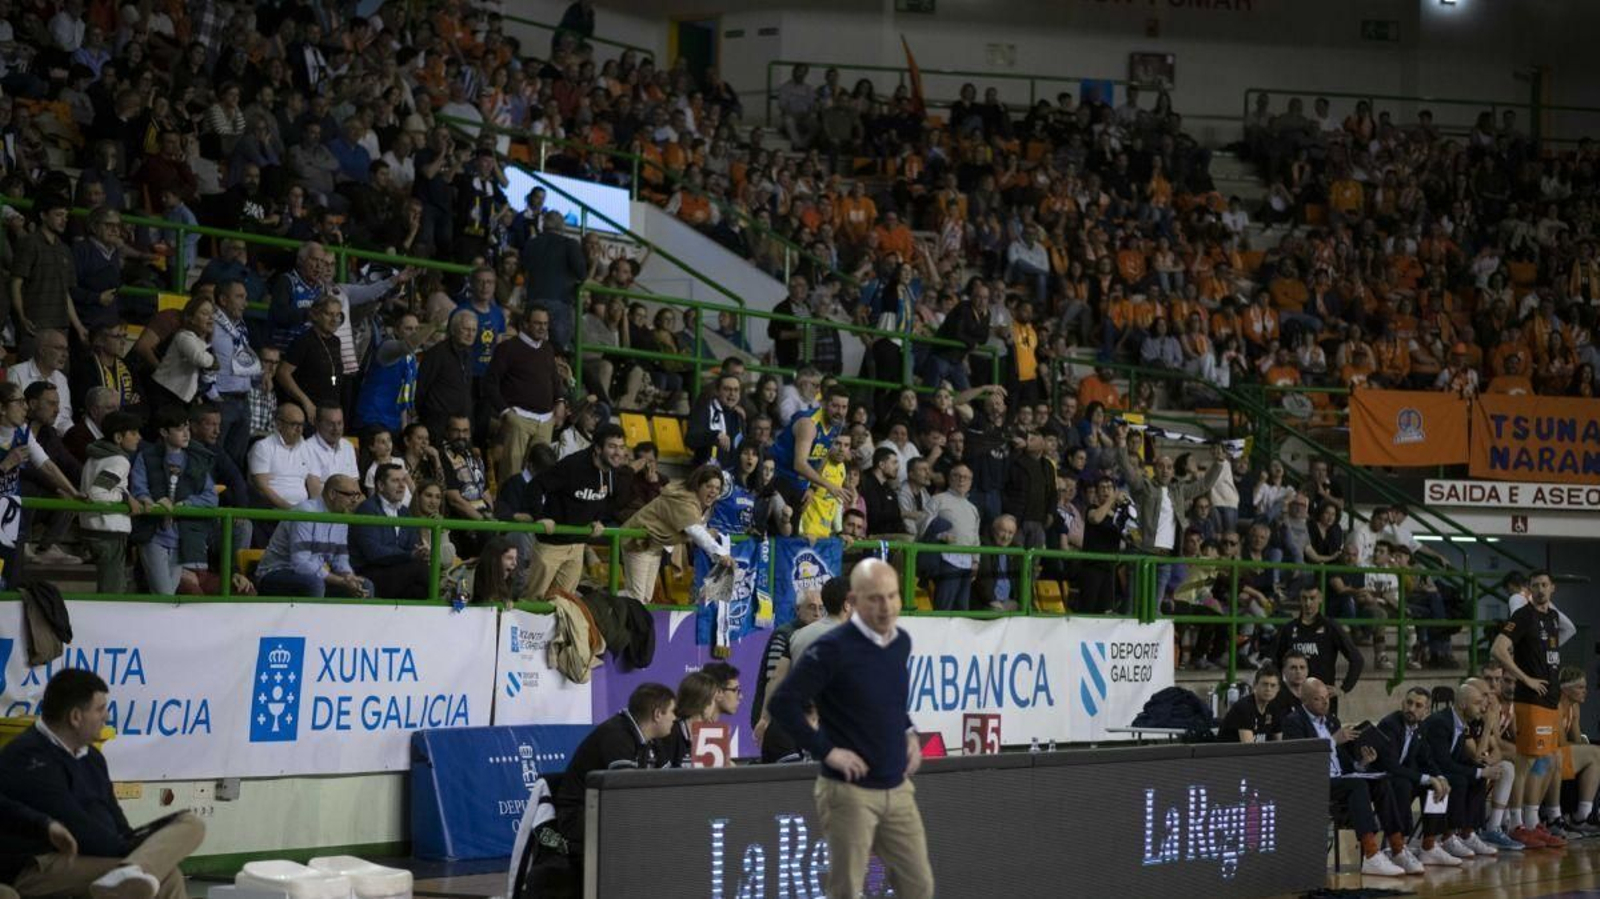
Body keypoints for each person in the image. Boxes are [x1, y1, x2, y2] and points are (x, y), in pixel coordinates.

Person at [768, 559, 935, 899]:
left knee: (919, 887)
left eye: (892, 596)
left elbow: (891, 698)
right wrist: (826, 751)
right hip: (849, 793)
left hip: (897, 788)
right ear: (854, 601)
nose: (886, 606)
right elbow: (782, 703)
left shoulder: (900, 642)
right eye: (875, 598)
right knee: (846, 892)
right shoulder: (831, 648)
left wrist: (908, 732)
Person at [0, 669, 206, 899]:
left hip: (98, 854)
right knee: (166, 876)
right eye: (100, 709)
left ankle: (131, 871)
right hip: (42, 864)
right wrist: (131, 849)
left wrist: (133, 844)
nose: (107, 717)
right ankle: (130, 871)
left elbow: (116, 818)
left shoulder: (93, 758)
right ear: (76, 717)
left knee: (191, 824)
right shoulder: (27, 756)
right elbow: (76, 828)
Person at [1280, 677, 1407, 876]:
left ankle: (1398, 848)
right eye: (1317, 699)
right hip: (1315, 782)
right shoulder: (1293, 722)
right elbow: (1302, 760)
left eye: (1326, 698)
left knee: (1381, 781)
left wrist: (1363, 762)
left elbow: (1345, 762)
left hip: (1340, 779)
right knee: (1357, 786)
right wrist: (1332, 740)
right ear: (1304, 701)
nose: (1325, 702)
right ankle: (1371, 854)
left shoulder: (1331, 720)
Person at [546, 683, 676, 860]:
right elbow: (627, 795)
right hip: (579, 814)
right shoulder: (617, 735)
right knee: (644, 829)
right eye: (672, 712)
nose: (675, 718)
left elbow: (669, 785)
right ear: (657, 714)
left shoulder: (651, 739)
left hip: (606, 810)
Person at [1494, 569, 1569, 848]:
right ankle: (1516, 824)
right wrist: (1524, 678)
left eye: (1544, 585)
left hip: (1550, 698)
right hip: (1531, 699)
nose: (1539, 590)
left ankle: (1532, 819)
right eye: (1535, 585)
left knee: (1547, 761)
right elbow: (1498, 649)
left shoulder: (1552, 617)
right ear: (1529, 589)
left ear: (1553, 588)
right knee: (1525, 762)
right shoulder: (1523, 615)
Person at [524, 424, 626, 599]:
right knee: (533, 600)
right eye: (612, 446)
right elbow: (536, 485)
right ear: (597, 448)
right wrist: (539, 517)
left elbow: (610, 498)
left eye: (621, 447)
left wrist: (598, 519)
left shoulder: (613, 471)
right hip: (551, 545)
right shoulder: (572, 465)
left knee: (563, 603)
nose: (618, 452)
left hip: (578, 546)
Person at [128, 406, 216, 596]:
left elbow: (210, 498)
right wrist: (152, 502)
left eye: (187, 427)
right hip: (153, 534)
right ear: (163, 432)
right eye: (179, 429)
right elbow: (139, 488)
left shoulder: (196, 460)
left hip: (183, 538)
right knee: (164, 594)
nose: (186, 433)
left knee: (167, 594)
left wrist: (186, 504)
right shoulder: (146, 457)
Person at [1372, 687, 1459, 869]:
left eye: (1418, 705)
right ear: (1403, 703)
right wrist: (1427, 778)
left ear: (1426, 711)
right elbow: (1391, 766)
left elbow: (1426, 759)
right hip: (1381, 778)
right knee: (1404, 784)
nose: (1411, 708)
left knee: (1436, 786)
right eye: (1409, 703)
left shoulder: (1420, 728)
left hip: (1401, 777)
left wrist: (1440, 778)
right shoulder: (1390, 724)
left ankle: (1429, 846)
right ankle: (1397, 847)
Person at [620, 465, 734, 602]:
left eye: (717, 488)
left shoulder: (700, 503)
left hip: (654, 547)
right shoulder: (684, 499)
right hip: (638, 543)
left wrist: (715, 549)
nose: (713, 491)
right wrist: (721, 553)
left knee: (644, 598)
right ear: (698, 485)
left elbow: (697, 529)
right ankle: (601, 601)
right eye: (709, 486)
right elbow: (695, 531)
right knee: (636, 597)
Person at [1420, 681, 1504, 860]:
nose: (1482, 709)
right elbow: (1443, 763)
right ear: (1463, 704)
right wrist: (1480, 772)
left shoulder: (1461, 723)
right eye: (1477, 703)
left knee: (1478, 774)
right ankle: (1446, 837)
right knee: (1459, 780)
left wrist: (1482, 769)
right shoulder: (1440, 722)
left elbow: (1460, 759)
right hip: (1425, 770)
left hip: (1441, 769)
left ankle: (1468, 833)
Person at [484, 305, 568, 479]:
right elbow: (490, 383)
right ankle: (507, 506)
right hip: (518, 419)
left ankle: (534, 506)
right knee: (511, 474)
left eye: (545, 324)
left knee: (541, 474)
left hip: (545, 420)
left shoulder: (547, 348)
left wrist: (560, 401)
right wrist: (506, 412)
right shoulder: (507, 348)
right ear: (525, 324)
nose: (542, 328)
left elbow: (554, 379)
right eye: (537, 323)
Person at [254, 475, 371, 598]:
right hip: (276, 573)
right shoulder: (305, 512)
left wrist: (348, 576)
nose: (354, 501)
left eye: (357, 496)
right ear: (332, 494)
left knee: (364, 585)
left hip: (311, 575)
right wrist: (341, 581)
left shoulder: (342, 516)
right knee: (314, 584)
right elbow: (300, 564)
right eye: (350, 495)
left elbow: (339, 558)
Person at [752, 588, 825, 763]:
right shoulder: (784, 634)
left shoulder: (819, 636)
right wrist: (765, 718)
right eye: (812, 607)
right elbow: (774, 679)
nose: (817, 613)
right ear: (797, 609)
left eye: (821, 608)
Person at [79, 411, 147, 594]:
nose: (139, 437)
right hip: (108, 531)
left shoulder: (95, 456)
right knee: (112, 591)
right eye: (133, 433)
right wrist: (125, 499)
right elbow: (98, 493)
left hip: (90, 527)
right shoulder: (119, 461)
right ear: (118, 437)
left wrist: (126, 494)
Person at [1269, 585, 1363, 713]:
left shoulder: (1331, 627)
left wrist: (1343, 689)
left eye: (1312, 598)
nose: (1308, 603)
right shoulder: (1289, 629)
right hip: (1294, 700)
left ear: (1320, 598)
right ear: (1300, 599)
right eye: (1304, 598)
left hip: (1322, 700)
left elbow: (1357, 659)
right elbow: (1276, 662)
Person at [350, 463, 430, 599]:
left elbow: (413, 545)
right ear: (380, 486)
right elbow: (374, 553)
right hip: (370, 572)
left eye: (403, 480)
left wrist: (421, 552)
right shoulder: (367, 510)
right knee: (420, 569)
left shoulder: (405, 512)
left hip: (398, 572)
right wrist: (409, 555)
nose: (402, 485)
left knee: (418, 591)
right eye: (395, 481)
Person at [770, 384, 852, 512]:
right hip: (779, 478)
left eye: (844, 407)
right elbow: (800, 464)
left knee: (793, 530)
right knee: (778, 529)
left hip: (800, 485)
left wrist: (812, 487)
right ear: (824, 404)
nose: (839, 412)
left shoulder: (836, 426)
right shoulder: (809, 424)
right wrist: (829, 485)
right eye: (835, 406)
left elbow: (823, 456)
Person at [922, 463, 982, 612]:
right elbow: (923, 524)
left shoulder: (972, 508)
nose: (962, 480)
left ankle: (958, 636)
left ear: (971, 482)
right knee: (944, 605)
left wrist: (976, 560)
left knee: (962, 607)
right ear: (950, 478)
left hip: (967, 562)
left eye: (966, 477)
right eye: (957, 476)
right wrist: (940, 536)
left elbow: (975, 536)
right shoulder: (938, 499)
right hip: (946, 558)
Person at [248, 402, 314, 513]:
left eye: (302, 425)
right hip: (273, 511)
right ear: (279, 424)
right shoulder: (263, 447)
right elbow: (262, 488)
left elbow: (313, 483)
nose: (299, 430)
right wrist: (291, 510)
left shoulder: (307, 447)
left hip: (304, 513)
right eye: (294, 424)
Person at [685, 373, 745, 468]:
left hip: (730, 475)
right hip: (706, 474)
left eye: (736, 390)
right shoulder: (705, 410)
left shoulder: (738, 417)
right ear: (717, 391)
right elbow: (690, 440)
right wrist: (715, 435)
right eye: (727, 389)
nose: (732, 394)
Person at [1217, 663, 1282, 743]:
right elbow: (1249, 749)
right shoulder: (1244, 708)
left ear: (1278, 689)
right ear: (1255, 685)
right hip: (1230, 754)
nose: (1268, 689)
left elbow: (1279, 744)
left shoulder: (1274, 707)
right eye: (1265, 684)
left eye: (1273, 685)